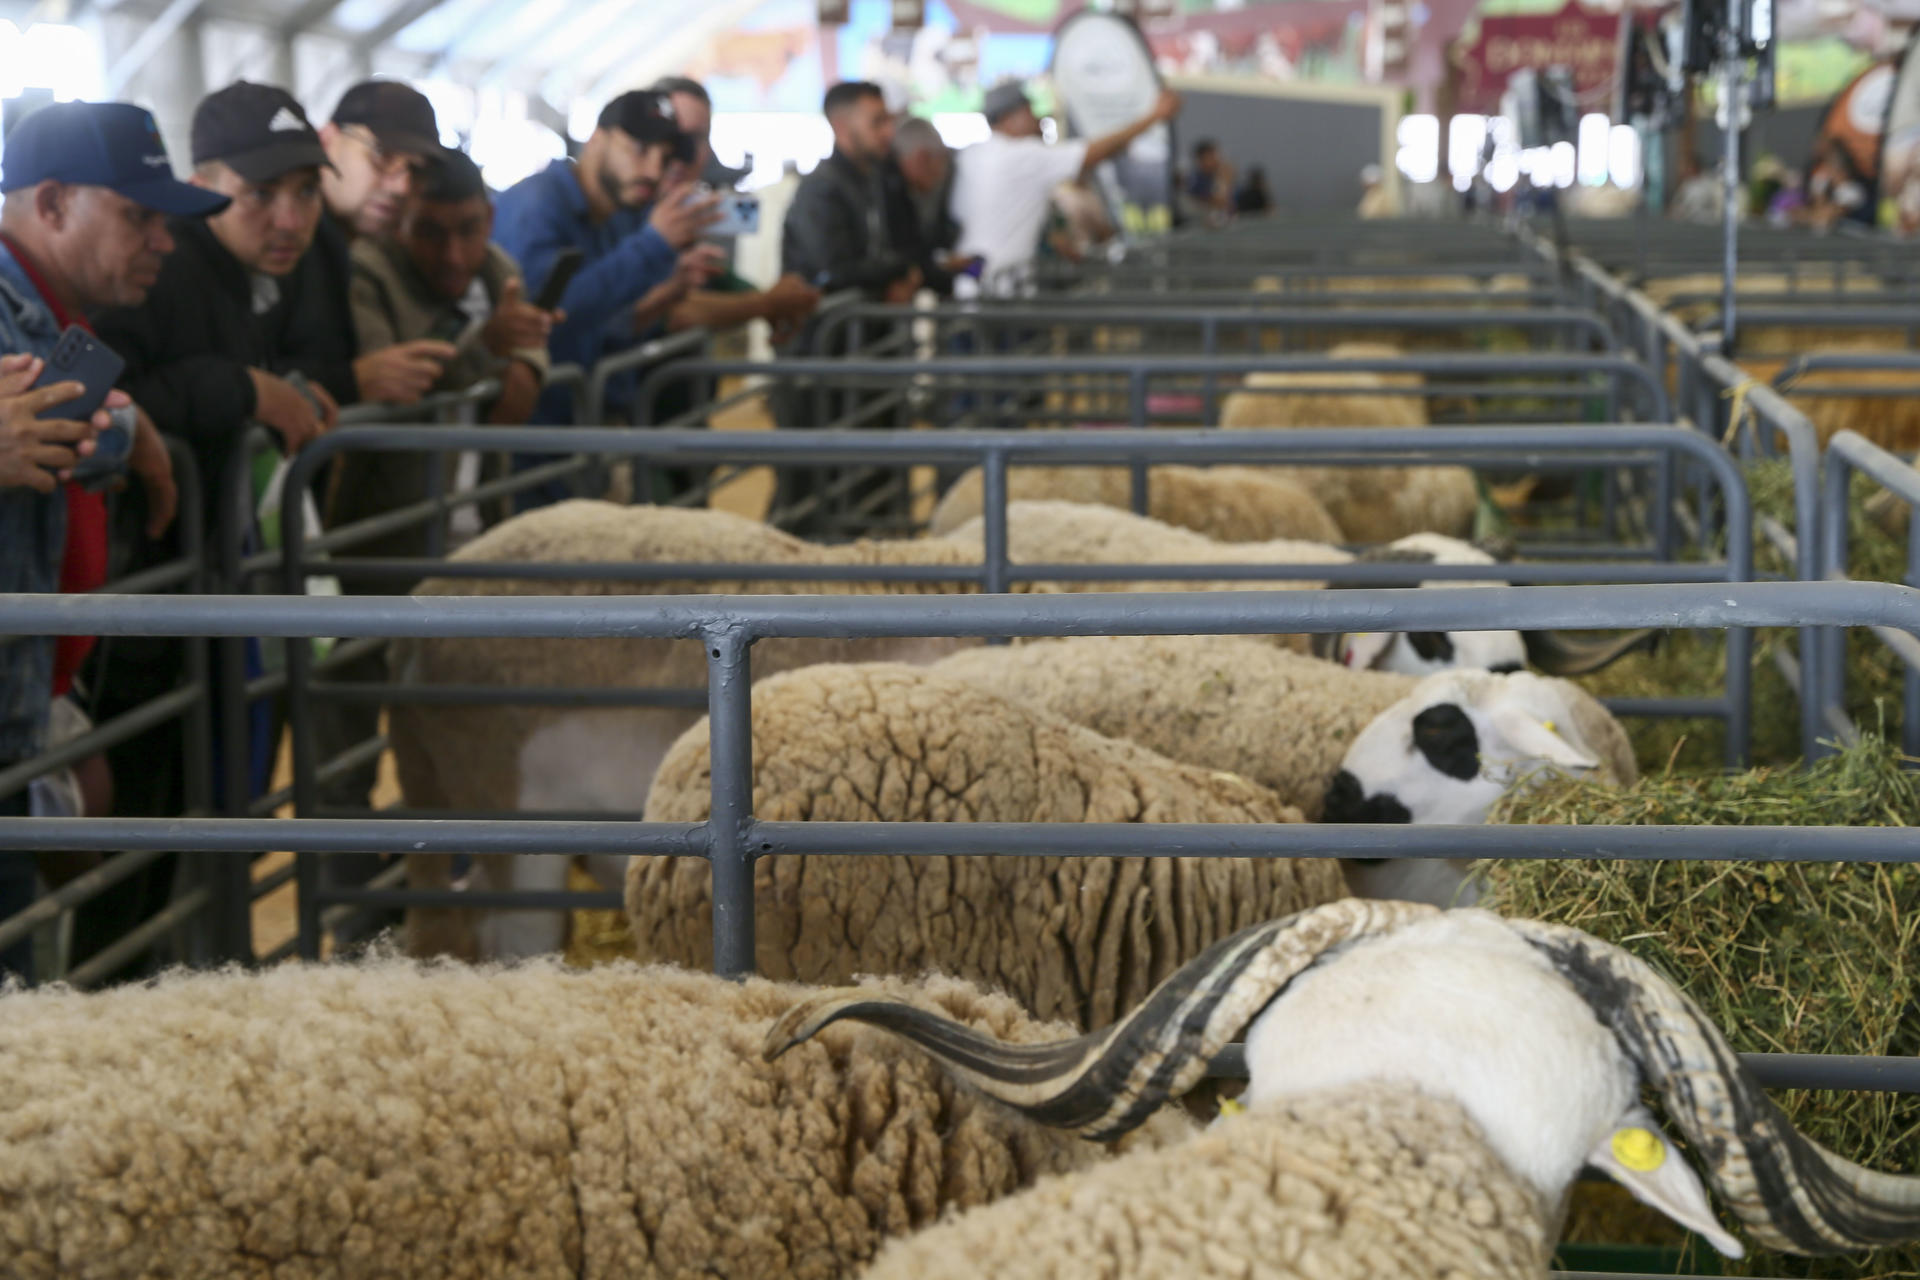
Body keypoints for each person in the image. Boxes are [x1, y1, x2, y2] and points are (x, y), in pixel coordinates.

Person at [0, 100, 212, 981]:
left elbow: (67, 429)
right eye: (137, 216)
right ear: (53, 203)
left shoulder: (50, 323)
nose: (163, 242)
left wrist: (125, 423)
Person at [340, 145, 556, 563]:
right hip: (394, 536)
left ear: (489, 219)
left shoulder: (500, 273)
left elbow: (524, 350)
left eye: (468, 230)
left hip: (485, 519)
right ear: (399, 223)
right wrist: (488, 349)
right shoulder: (367, 275)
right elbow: (396, 388)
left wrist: (529, 361)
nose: (452, 255)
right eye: (429, 232)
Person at [493, 89, 722, 469]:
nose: (653, 171)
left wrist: (667, 293)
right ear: (597, 139)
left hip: (575, 433)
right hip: (531, 441)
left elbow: (603, 327)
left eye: (665, 158)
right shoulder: (538, 207)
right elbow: (544, 318)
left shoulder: (615, 215)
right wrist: (653, 246)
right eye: (639, 149)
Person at [302, 79, 460, 410]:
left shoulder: (340, 251)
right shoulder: (289, 249)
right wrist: (350, 383)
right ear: (326, 139)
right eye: (382, 155)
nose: (401, 187)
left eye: (416, 170)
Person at [949, 79, 1180, 293]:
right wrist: (1154, 116)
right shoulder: (1020, 156)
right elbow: (1090, 154)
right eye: (1030, 111)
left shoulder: (974, 154)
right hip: (1002, 289)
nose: (1037, 120)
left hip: (971, 279)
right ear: (1009, 116)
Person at [781, 81, 919, 304]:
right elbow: (835, 272)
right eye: (877, 122)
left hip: (863, 318)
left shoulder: (874, 178)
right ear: (841, 127)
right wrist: (900, 272)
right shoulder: (821, 187)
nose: (889, 132)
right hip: (830, 321)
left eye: (889, 121)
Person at [889, 115, 967, 295]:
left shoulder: (904, 190)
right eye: (941, 163)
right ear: (922, 158)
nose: (941, 175)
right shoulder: (888, 193)